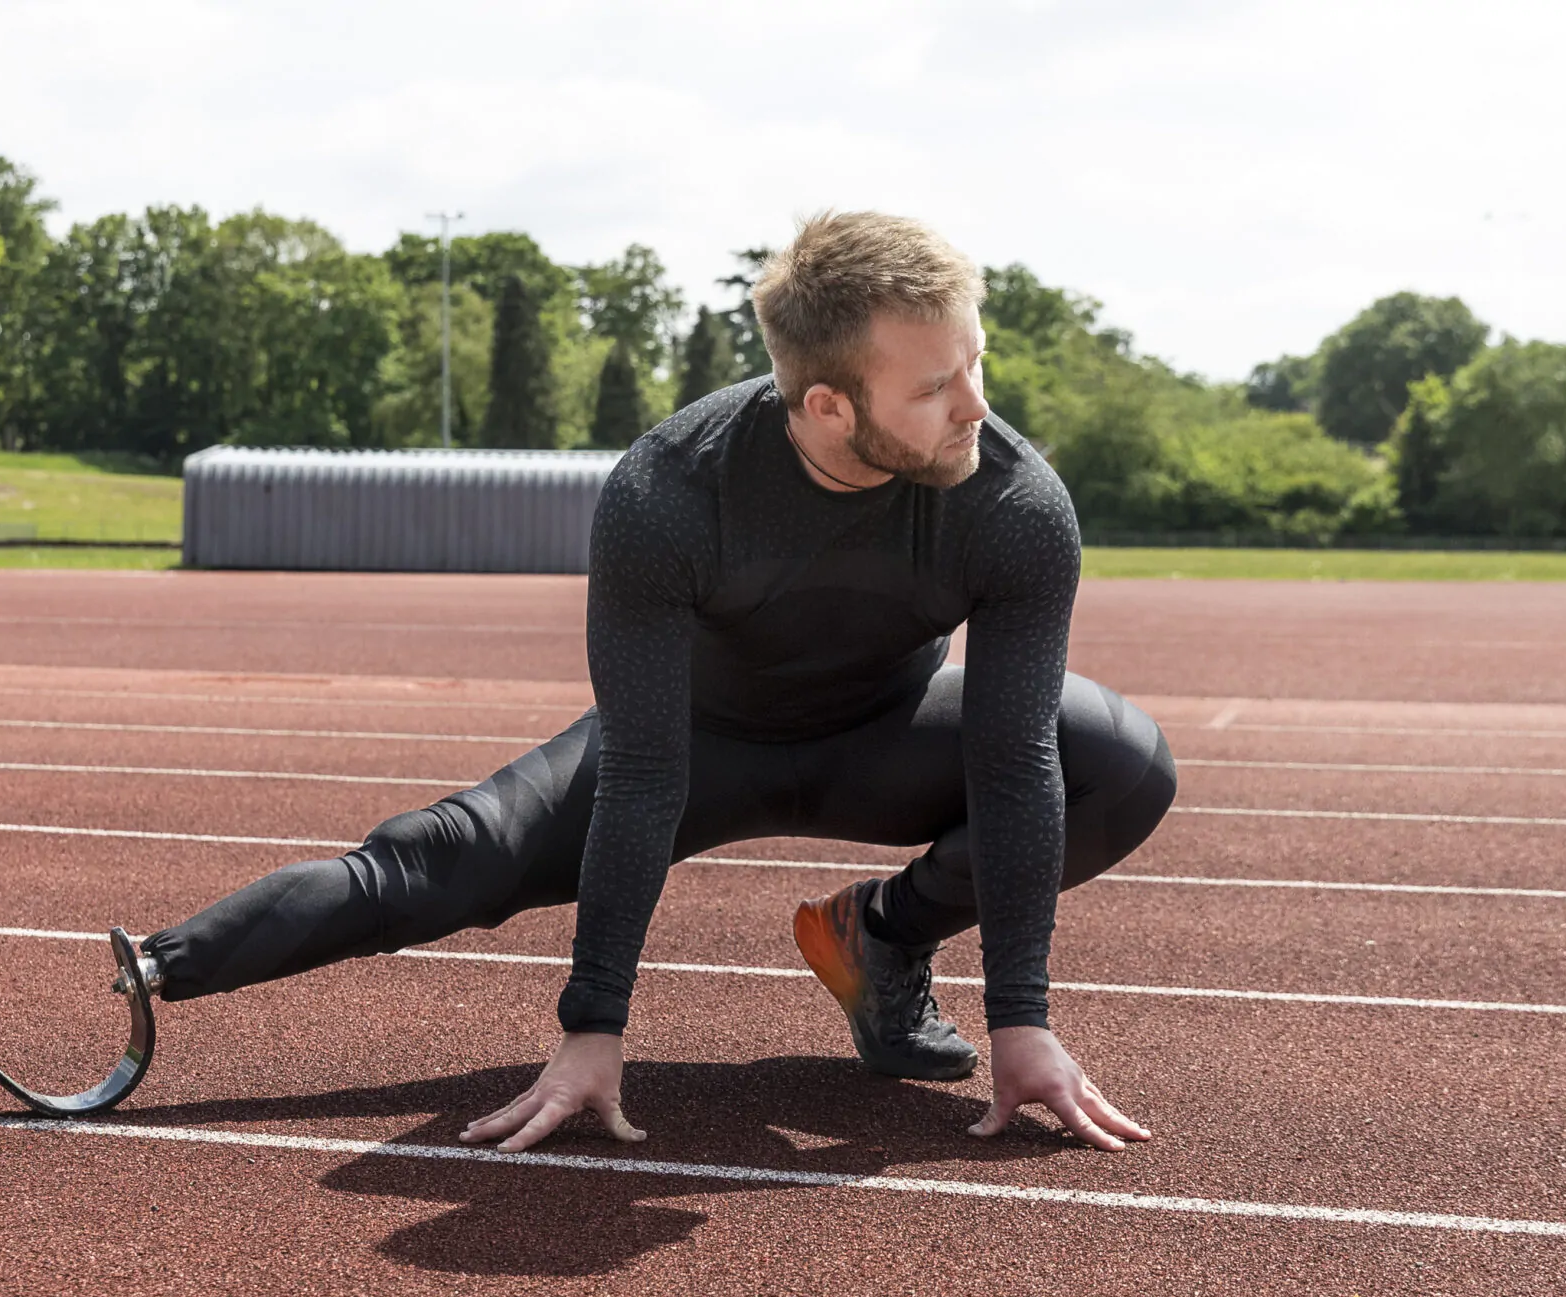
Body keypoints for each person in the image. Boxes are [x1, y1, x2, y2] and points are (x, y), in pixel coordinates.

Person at [131, 211, 1177, 1154]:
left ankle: (881, 935)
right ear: (825, 404)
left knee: (1120, 766)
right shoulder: (668, 492)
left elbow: (1008, 757)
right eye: (934, 386)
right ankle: (157, 966)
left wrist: (1021, 1022)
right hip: (688, 743)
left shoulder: (1013, 500)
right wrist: (593, 1026)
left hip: (885, 737)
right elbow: (638, 774)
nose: (976, 406)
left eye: (974, 362)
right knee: (429, 865)